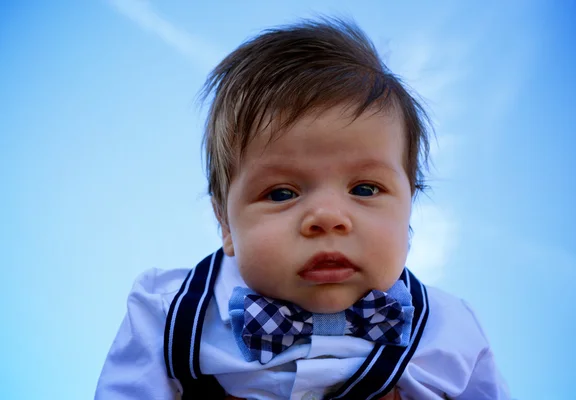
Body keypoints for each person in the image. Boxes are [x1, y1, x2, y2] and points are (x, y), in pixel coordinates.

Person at [95, 17, 510, 400]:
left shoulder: (451, 330)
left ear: (409, 210)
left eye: (365, 188)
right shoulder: (169, 313)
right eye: (281, 193)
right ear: (225, 222)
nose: (327, 216)